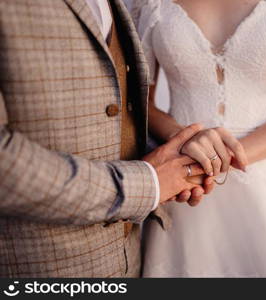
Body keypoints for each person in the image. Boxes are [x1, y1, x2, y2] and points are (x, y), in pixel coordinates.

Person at [0, 0, 224, 277]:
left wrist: (173, 163)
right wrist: (149, 182)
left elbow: (111, 113)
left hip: (129, 255)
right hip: (36, 266)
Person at [129, 0, 266, 277]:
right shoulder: (149, 3)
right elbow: (142, 103)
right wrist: (182, 140)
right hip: (183, 188)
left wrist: (213, 162)